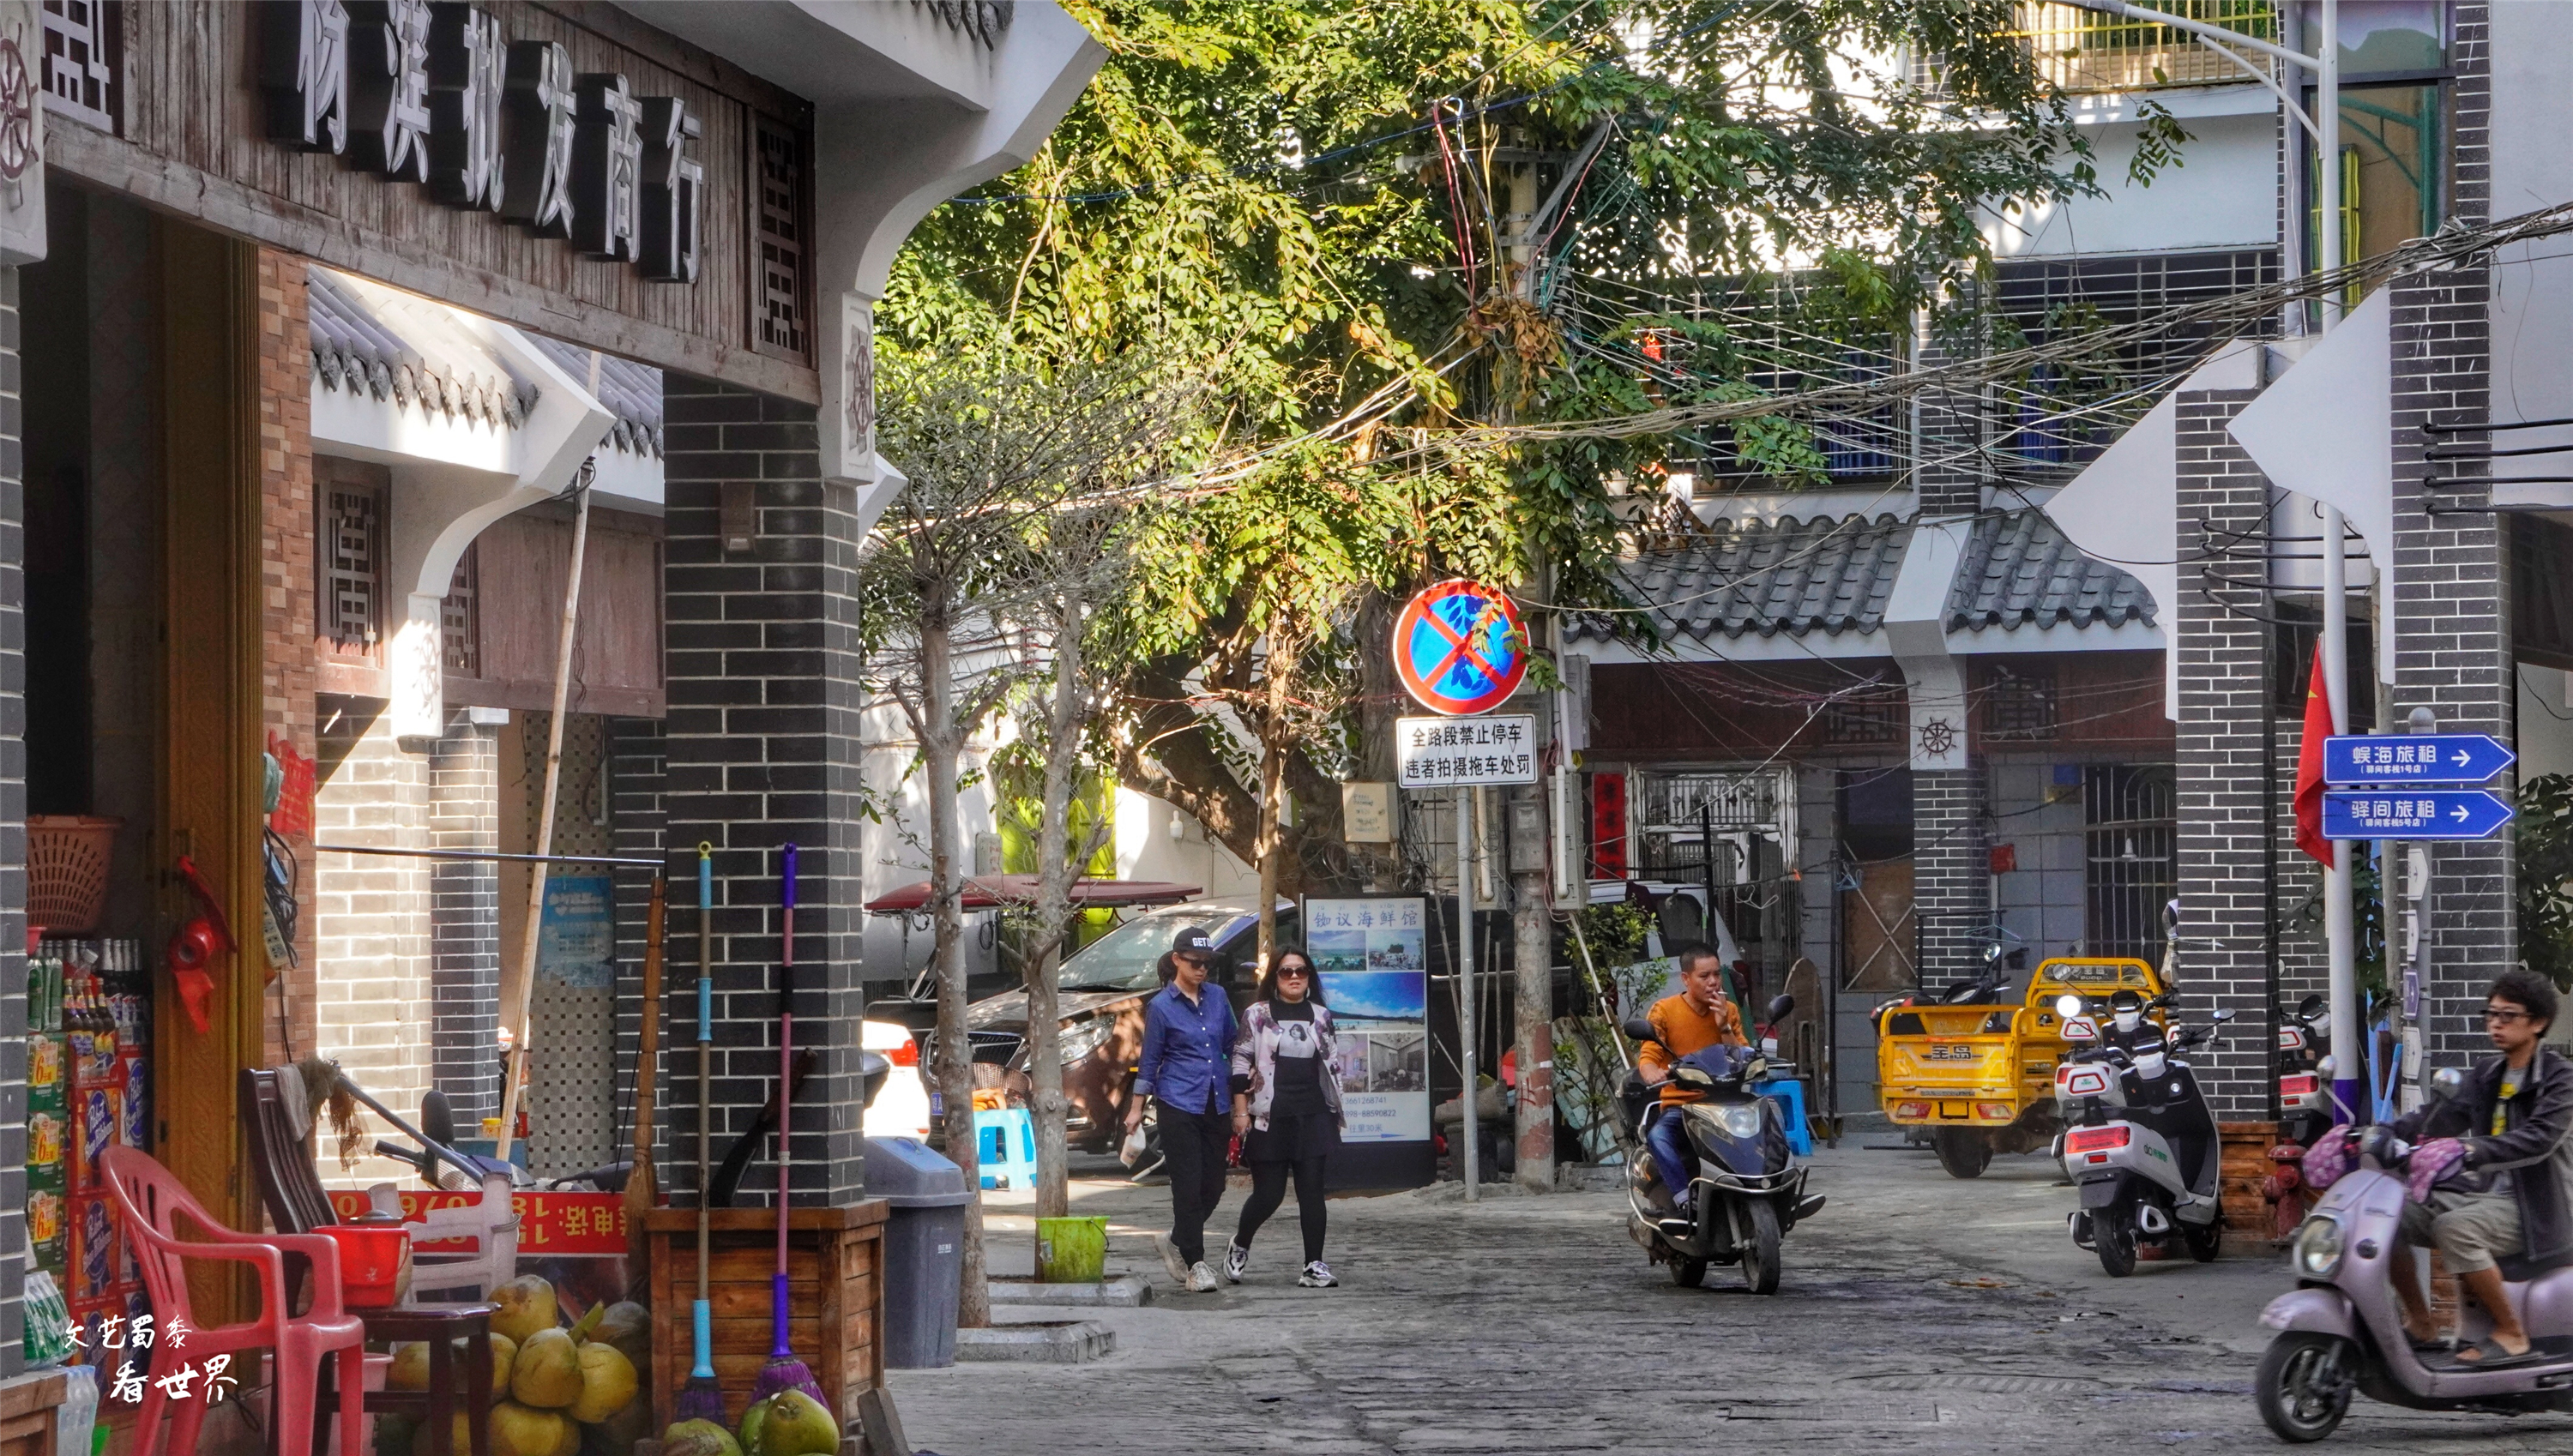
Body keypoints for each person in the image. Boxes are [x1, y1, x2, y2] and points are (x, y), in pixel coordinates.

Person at [2384, 969, 2573, 1364]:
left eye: (2508, 1015)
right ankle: (2421, 1322)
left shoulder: (2561, 1080)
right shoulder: (2487, 1073)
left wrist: (2468, 1150)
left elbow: (2539, 1139)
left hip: (2539, 1207)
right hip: (2486, 1195)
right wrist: (2377, 1135)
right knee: (2390, 1215)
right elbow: (2441, 1116)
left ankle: (2512, 1332)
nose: (2496, 1023)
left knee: (2455, 1229)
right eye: (2491, 1014)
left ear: (2538, 1023)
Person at [1224, 948, 1344, 1289]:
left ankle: (1314, 1265)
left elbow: (1333, 1066)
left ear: (1310, 976)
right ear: (1274, 976)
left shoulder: (1321, 1016)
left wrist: (1335, 1111)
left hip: (1313, 1113)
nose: (1294, 977)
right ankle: (1240, 1244)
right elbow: (1239, 1062)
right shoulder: (1257, 1014)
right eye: (1286, 971)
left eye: (1301, 971)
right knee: (1269, 1195)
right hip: (1268, 1115)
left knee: (1312, 1192)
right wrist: (1241, 1111)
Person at [1127, 926, 1237, 1293]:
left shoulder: (1219, 997)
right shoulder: (1160, 1007)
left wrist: (1244, 1096)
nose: (1202, 969)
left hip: (1216, 1100)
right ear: (1176, 960)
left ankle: (1175, 1238)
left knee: (1215, 1185)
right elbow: (1149, 1061)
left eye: (1208, 963)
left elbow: (1234, 1045)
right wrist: (1135, 1109)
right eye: (1195, 962)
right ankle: (1196, 1264)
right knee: (1187, 1186)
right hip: (1177, 1101)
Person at [1636, 942, 1748, 1225]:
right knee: (1658, 1137)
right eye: (1704, 976)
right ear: (1686, 978)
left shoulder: (1730, 1010)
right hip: (1682, 1105)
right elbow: (1650, 1055)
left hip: (1725, 1103)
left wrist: (1723, 1025)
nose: (1713, 982)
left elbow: (1742, 1057)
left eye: (1716, 975)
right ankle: (1683, 1198)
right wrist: (1651, 1073)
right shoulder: (1664, 1011)